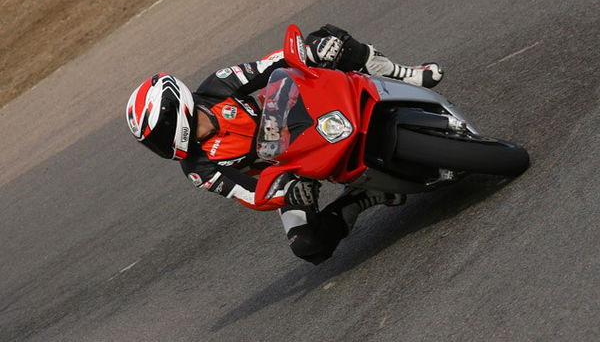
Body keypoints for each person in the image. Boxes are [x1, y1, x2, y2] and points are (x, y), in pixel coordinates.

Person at [126, 24, 443, 264]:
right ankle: (360, 199)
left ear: (175, 109)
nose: (161, 143)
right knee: (308, 246)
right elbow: (248, 193)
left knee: (328, 40)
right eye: (152, 141)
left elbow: (273, 64)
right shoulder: (198, 168)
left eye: (159, 133)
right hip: (287, 173)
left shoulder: (218, 85)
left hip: (301, 114)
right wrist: (284, 193)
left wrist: (311, 51)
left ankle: (405, 75)